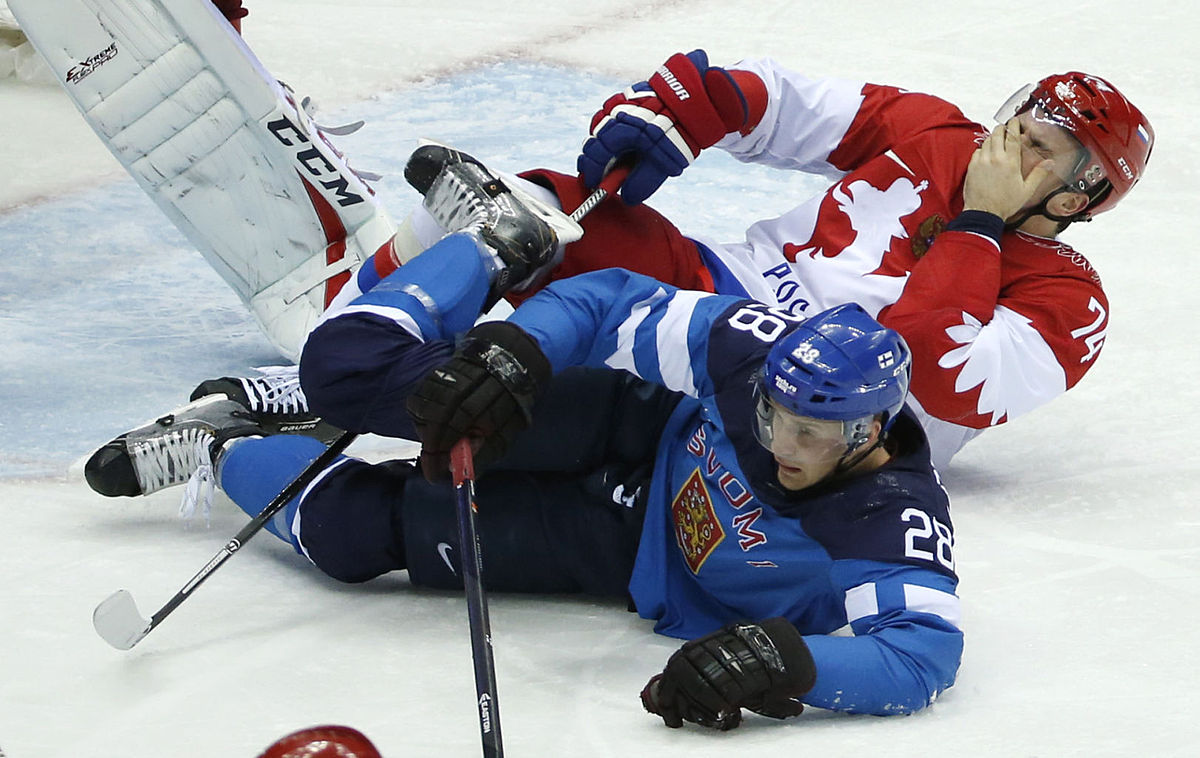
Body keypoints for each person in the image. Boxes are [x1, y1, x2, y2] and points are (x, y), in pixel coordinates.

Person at [85, 163, 961, 728]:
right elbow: (614, 301)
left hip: (624, 552)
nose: (779, 442)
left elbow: (918, 654)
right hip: (633, 421)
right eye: (771, 417)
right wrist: (521, 351)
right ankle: (492, 239)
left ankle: (218, 447)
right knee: (347, 368)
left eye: (809, 434)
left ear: (870, 431)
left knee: (355, 538)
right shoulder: (751, 352)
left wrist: (786, 659)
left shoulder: (893, 513)